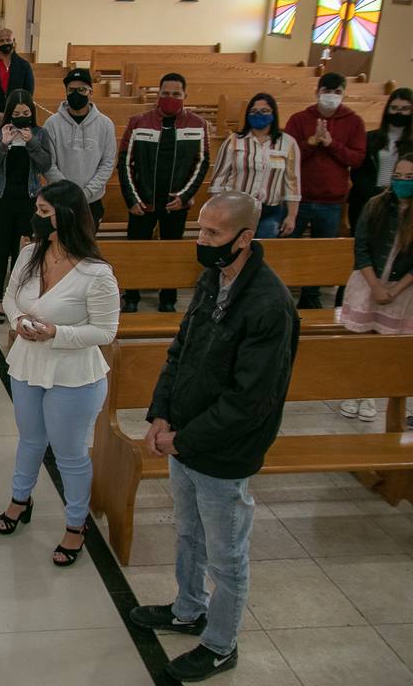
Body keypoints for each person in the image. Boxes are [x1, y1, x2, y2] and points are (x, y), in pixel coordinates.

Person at [131, 191, 299, 683]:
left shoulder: (269, 304)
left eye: (213, 235)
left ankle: (222, 645)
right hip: (184, 435)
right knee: (188, 533)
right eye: (200, 230)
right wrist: (161, 415)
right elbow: (181, 350)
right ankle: (188, 609)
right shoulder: (212, 278)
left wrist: (184, 440)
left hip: (223, 451)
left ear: (246, 239)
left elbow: (250, 401)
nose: (200, 241)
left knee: (226, 556)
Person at [0, 180, 118, 567]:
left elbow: (105, 331)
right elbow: (11, 296)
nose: (36, 217)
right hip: (29, 363)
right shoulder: (31, 251)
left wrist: (56, 333)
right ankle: (20, 499)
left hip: (73, 374)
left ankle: (76, 525)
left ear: (66, 217)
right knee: (30, 440)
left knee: (69, 455)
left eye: (44, 212)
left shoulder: (96, 273)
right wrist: (19, 321)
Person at [118, 73, 211, 313]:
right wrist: (132, 198)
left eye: (176, 94)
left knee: (171, 253)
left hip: (176, 204)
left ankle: (168, 297)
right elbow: (125, 162)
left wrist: (184, 195)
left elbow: (201, 164)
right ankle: (131, 296)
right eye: (166, 94)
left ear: (184, 96)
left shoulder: (198, 125)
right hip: (143, 202)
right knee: (136, 252)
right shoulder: (138, 122)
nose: (171, 98)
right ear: (158, 95)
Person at [283, 72, 367, 308]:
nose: (331, 96)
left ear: (343, 94)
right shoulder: (300, 119)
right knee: (287, 248)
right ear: (317, 92)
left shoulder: (354, 121)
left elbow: (357, 158)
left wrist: (331, 144)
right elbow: (287, 154)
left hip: (331, 201)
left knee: (321, 253)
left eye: (337, 92)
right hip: (296, 197)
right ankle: (280, 293)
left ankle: (311, 297)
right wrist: (312, 142)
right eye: (326, 91)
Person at [339, 154, 413, 420]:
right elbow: (361, 248)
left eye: (409, 177)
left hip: (402, 289)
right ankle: (354, 390)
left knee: (385, 345)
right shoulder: (375, 204)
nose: (402, 182)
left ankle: (370, 394)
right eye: (398, 176)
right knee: (362, 341)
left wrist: (394, 291)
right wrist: (377, 288)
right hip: (368, 282)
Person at [0, 89, 55, 325]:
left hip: (30, 200)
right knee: (2, 249)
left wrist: (31, 142)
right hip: (1, 199)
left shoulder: (39, 133)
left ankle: (14, 298)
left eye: (26, 113)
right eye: (17, 113)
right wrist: (4, 143)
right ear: (9, 113)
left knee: (21, 250)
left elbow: (46, 163)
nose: (22, 117)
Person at [208, 93, 301, 239]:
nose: (259, 114)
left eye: (264, 111)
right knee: (234, 253)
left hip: (269, 213)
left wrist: (291, 216)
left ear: (273, 114)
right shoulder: (234, 141)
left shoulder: (288, 143)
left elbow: (292, 182)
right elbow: (218, 179)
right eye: (254, 111)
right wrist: (215, 212)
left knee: (262, 253)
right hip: (235, 211)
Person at [43, 68, 117, 230]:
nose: (76, 93)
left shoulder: (105, 124)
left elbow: (107, 163)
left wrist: (86, 193)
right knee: (59, 250)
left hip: (91, 201)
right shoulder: (52, 124)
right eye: (71, 90)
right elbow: (48, 164)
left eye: (82, 90)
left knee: (86, 251)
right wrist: (69, 192)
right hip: (60, 201)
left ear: (91, 92)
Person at [349, 88, 413, 230]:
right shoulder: (369, 138)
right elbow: (358, 171)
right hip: (366, 201)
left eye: (405, 109)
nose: (399, 112)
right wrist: (376, 195)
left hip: (403, 203)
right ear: (387, 109)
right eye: (394, 108)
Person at [0, 28, 35, 110]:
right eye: (1, 41)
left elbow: (28, 91)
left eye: (8, 40)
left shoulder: (24, 65)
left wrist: (16, 111)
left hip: (17, 113)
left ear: (13, 41)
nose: (5, 43)